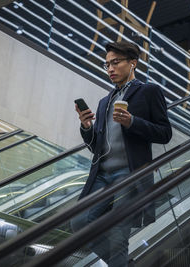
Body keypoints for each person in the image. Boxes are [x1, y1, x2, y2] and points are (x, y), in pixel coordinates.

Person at [71, 41, 172, 267]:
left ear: (132, 63)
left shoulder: (149, 91)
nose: (110, 69)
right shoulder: (104, 102)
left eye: (115, 63)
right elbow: (97, 146)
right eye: (107, 65)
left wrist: (132, 122)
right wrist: (86, 126)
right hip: (101, 175)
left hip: (130, 173)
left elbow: (165, 133)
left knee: (118, 233)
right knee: (79, 223)